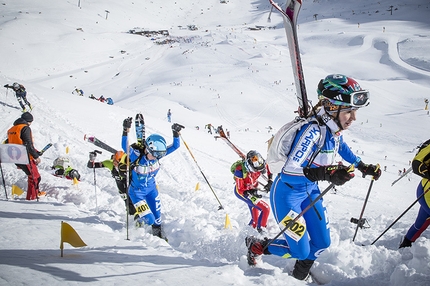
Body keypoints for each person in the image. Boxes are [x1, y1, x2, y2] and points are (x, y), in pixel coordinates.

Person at [245, 74, 381, 280]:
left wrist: (363, 166)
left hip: (310, 191)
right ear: (332, 108)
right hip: (287, 195)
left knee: (322, 243)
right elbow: (289, 172)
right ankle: (257, 246)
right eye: (349, 112)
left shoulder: (332, 130)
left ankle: (299, 275)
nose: (353, 118)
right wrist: (326, 173)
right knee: (300, 250)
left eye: (354, 112)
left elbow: (341, 147)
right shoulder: (312, 131)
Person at [122, 117, 184, 239]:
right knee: (150, 219)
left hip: (151, 190)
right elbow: (125, 146)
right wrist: (125, 130)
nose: (156, 157)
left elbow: (175, 146)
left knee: (157, 218)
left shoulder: (156, 155)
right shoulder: (137, 156)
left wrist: (175, 133)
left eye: (159, 155)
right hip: (137, 192)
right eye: (155, 155)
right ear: (147, 149)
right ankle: (139, 217)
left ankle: (158, 237)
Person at [399, 139, 430, 248]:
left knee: (421, 222)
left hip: (425, 192)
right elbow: (417, 163)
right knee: (422, 220)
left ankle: (406, 244)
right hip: (427, 192)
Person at [232, 150, 272, 233]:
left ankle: (247, 234)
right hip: (243, 193)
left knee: (255, 219)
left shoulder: (260, 164)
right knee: (265, 209)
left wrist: (270, 181)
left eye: (258, 160)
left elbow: (268, 167)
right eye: (254, 161)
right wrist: (250, 192)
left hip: (252, 189)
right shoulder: (240, 170)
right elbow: (240, 189)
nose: (258, 164)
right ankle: (261, 232)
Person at [87, 150, 136, 216]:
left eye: (117, 162)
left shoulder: (127, 164)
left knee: (133, 201)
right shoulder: (109, 163)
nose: (114, 163)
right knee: (128, 204)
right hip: (121, 188)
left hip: (131, 186)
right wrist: (91, 159)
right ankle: (131, 217)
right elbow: (91, 166)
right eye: (114, 160)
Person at [6, 112, 42, 200]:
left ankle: (34, 194)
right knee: (35, 178)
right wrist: (36, 156)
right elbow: (28, 144)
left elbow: (10, 142)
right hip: (25, 157)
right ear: (28, 121)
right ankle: (31, 198)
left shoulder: (11, 129)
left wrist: (36, 151)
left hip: (15, 157)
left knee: (32, 177)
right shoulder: (25, 128)